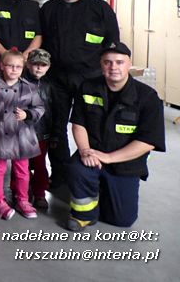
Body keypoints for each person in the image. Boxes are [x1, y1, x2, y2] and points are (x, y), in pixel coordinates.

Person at [67, 42, 165, 231]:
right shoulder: (87, 87)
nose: (113, 67)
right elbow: (78, 124)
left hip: (125, 163)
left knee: (122, 220)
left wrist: (109, 157)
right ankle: (84, 215)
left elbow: (148, 141)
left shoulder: (147, 97)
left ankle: (102, 191)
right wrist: (85, 151)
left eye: (119, 62)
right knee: (76, 168)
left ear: (130, 64)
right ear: (101, 64)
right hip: (92, 155)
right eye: (108, 62)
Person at [40, 0, 119, 187]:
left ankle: (96, 172)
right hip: (57, 79)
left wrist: (110, 75)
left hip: (91, 79)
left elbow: (113, 42)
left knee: (95, 126)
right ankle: (61, 175)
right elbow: (41, 42)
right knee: (56, 128)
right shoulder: (48, 9)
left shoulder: (99, 8)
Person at [0, 50, 45, 220]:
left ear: (23, 68)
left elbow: (39, 108)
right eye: (10, 66)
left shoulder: (29, 87)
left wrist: (27, 114)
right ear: (2, 66)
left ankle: (23, 200)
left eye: (18, 67)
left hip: (22, 134)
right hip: (0, 133)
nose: (14, 70)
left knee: (23, 170)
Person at [23, 48, 55, 210]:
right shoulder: (19, 83)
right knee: (21, 164)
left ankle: (40, 193)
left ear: (48, 67)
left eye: (43, 65)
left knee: (40, 164)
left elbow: (54, 111)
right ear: (28, 64)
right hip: (22, 133)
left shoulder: (50, 86)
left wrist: (54, 134)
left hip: (42, 134)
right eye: (35, 64)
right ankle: (21, 191)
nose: (39, 68)